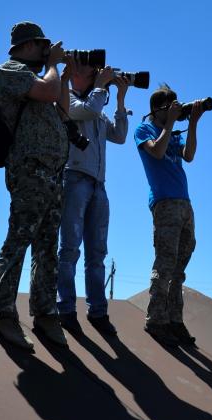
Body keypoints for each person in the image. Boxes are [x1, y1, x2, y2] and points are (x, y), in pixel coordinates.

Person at [0, 21, 71, 350]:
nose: (45, 50)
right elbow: (47, 93)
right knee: (19, 239)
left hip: (52, 172)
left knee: (47, 247)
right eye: (41, 45)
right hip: (28, 170)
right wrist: (53, 66)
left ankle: (45, 313)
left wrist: (64, 71)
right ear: (25, 46)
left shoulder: (44, 76)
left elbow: (63, 111)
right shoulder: (9, 70)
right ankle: (3, 312)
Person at [57, 61, 129, 335]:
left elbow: (120, 136)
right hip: (74, 179)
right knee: (70, 249)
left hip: (99, 185)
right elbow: (86, 110)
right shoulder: (69, 100)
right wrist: (101, 86)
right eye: (91, 70)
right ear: (75, 75)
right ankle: (65, 309)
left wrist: (120, 100)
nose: (98, 74)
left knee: (97, 253)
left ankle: (98, 312)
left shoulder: (98, 108)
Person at [134, 85, 203, 346]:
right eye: (170, 106)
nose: (175, 109)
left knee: (179, 268)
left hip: (185, 204)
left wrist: (193, 122)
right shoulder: (144, 130)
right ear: (157, 109)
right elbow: (157, 152)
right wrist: (170, 123)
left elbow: (190, 156)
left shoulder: (173, 131)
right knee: (165, 263)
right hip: (164, 204)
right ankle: (155, 320)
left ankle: (175, 320)